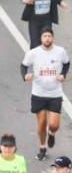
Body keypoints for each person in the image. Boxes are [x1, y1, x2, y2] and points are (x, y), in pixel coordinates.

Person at [21, 29, 70, 161]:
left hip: (55, 93)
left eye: (49, 36)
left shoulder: (60, 52)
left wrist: (63, 74)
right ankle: (42, 147)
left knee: (54, 124)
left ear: (53, 38)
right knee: (42, 122)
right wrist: (25, 75)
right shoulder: (34, 53)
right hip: (39, 93)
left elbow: (66, 64)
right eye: (45, 36)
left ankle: (51, 133)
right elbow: (24, 66)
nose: (47, 38)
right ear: (41, 38)